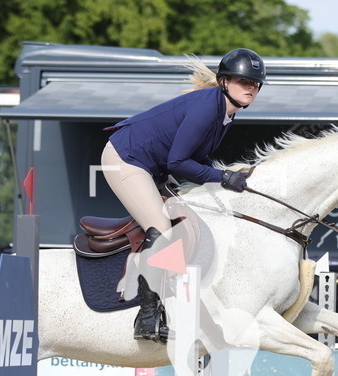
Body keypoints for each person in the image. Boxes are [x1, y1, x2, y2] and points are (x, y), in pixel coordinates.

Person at [101, 48, 266, 342]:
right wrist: (225, 177)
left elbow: (197, 161)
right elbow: (179, 162)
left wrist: (223, 179)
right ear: (225, 82)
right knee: (162, 229)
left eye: (255, 84)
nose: (250, 89)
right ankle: (147, 319)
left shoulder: (225, 115)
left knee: (189, 218)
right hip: (126, 158)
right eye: (244, 82)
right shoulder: (207, 109)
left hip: (152, 166)